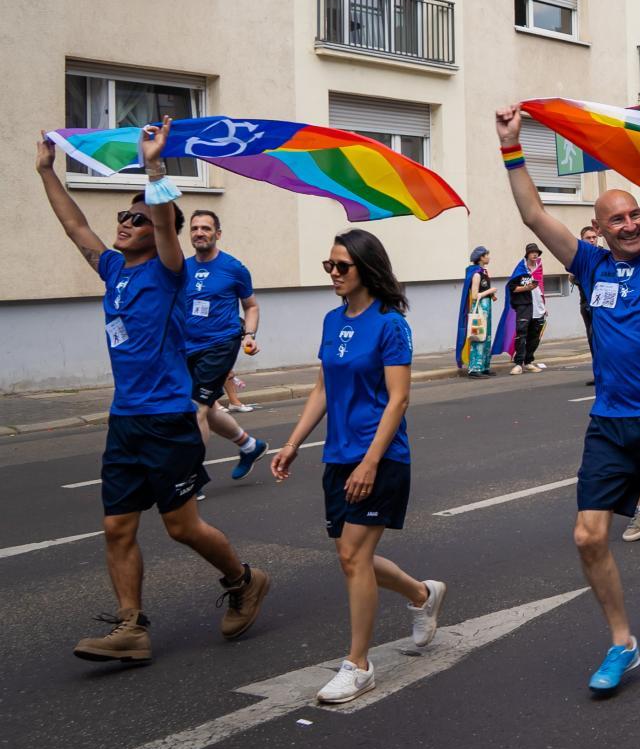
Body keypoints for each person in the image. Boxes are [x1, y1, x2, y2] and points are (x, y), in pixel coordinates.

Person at [495, 103, 640, 694]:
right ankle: (622, 642)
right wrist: (511, 147)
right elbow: (534, 213)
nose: (628, 225)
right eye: (616, 219)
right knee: (588, 536)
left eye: (634, 216)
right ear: (599, 228)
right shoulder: (589, 264)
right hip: (610, 424)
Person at [37, 121, 270, 665]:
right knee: (117, 526)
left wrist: (156, 169)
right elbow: (74, 225)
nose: (125, 222)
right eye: (122, 215)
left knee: (181, 526)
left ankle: (244, 580)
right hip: (126, 418)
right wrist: (47, 170)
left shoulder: (170, 271)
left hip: (167, 415)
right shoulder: (113, 266)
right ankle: (130, 627)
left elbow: (167, 220)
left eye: (136, 218)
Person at [269, 231, 444, 704]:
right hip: (338, 456)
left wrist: (369, 462)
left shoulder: (390, 324)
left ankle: (358, 665)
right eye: (329, 266)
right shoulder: (331, 321)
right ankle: (423, 595)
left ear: (366, 267)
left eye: (342, 266)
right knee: (352, 556)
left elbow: (399, 398)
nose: (334, 274)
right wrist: (292, 444)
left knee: (352, 556)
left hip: (380, 458)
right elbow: (322, 389)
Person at [181, 210, 268, 481]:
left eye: (206, 228)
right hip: (186, 347)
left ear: (217, 234)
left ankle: (189, 478)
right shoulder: (182, 267)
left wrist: (249, 334)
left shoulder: (234, 268)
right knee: (210, 406)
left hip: (220, 345)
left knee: (196, 409)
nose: (199, 233)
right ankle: (249, 446)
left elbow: (251, 306)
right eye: (195, 228)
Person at [455, 246, 498, 378]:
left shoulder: (483, 272)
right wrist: (491, 291)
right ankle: (475, 368)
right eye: (487, 255)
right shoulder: (476, 274)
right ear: (481, 257)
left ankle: (484, 366)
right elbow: (474, 295)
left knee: (487, 337)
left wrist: (491, 295)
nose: (489, 257)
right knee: (479, 337)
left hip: (486, 308)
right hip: (479, 309)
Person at [507, 243, 547, 375]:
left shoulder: (539, 268)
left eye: (537, 252)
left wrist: (544, 305)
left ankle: (528, 362)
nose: (535, 254)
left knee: (535, 336)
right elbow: (512, 287)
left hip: (538, 307)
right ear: (527, 254)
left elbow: (541, 288)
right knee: (521, 334)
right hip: (524, 306)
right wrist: (526, 288)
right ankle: (518, 364)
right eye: (532, 252)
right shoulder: (520, 269)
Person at [576, 227, 601, 387]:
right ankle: (598, 373)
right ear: (582, 239)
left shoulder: (603, 255)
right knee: (592, 339)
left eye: (593, 237)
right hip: (586, 303)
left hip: (601, 304)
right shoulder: (581, 256)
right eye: (588, 238)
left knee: (603, 339)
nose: (592, 240)